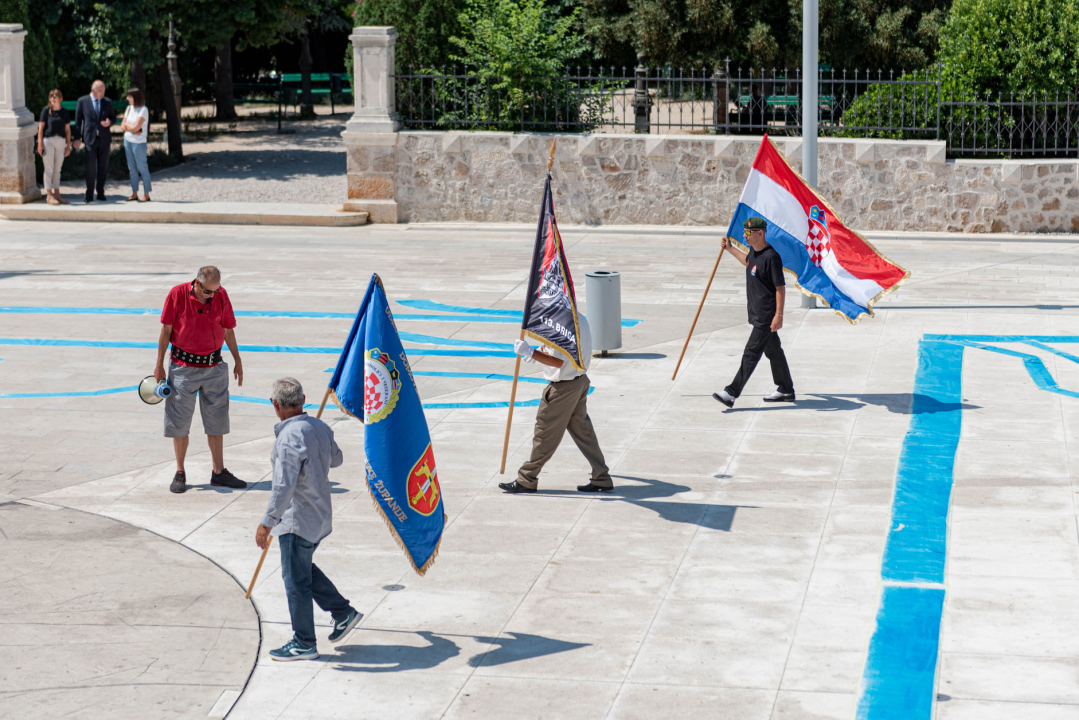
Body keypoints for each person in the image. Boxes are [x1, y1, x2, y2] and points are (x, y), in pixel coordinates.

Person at [256, 377, 362, 661]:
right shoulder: (320, 427)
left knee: (295, 582)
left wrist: (267, 522)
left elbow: (283, 486)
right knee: (302, 570)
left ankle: (304, 641)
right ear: (303, 401)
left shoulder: (289, 438)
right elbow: (336, 460)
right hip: (319, 515)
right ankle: (343, 612)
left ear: (275, 405)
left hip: (295, 521)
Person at [153, 266, 246, 493]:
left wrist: (237, 360)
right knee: (179, 422)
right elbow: (166, 331)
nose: (212, 296)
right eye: (208, 292)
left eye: (216, 291)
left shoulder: (221, 295)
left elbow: (228, 330)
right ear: (196, 283)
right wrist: (158, 364)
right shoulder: (176, 294)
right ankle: (180, 470)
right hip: (183, 368)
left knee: (217, 420)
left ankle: (218, 471)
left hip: (214, 368)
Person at [498, 313, 614, 494]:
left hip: (563, 389)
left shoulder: (562, 325)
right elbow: (563, 352)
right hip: (579, 381)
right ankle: (602, 476)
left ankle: (527, 479)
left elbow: (558, 361)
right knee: (584, 433)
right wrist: (538, 352)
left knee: (544, 433)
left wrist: (531, 352)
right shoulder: (580, 319)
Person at [713, 217, 796, 409]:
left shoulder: (771, 257)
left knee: (751, 353)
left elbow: (780, 288)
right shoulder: (754, 252)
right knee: (774, 352)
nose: (745, 236)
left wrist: (779, 315)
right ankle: (786, 389)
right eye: (744, 232)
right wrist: (731, 249)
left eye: (748, 233)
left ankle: (731, 393)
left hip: (766, 316)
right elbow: (748, 261)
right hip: (758, 313)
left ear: (761, 233)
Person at [73, 80, 116, 203]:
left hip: (104, 139)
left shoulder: (107, 102)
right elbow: (78, 122)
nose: (103, 93)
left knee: (103, 167)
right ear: (93, 90)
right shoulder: (82, 101)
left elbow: (113, 118)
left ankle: (101, 192)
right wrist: (77, 138)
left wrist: (109, 123)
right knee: (90, 168)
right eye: (100, 90)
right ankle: (89, 194)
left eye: (104, 90)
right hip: (90, 139)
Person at [36, 89, 72, 205]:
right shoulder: (46, 111)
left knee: (58, 169)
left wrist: (68, 145)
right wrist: (40, 144)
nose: (52, 99)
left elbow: (67, 130)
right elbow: (40, 128)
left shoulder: (65, 112)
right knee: (49, 169)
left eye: (55, 96)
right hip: (48, 141)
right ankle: (49, 195)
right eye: (51, 97)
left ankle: (57, 194)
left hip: (60, 141)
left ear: (60, 99)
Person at [120, 87, 151, 202]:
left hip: (139, 143)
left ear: (135, 97)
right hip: (128, 141)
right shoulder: (129, 108)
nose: (127, 98)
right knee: (132, 169)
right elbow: (123, 126)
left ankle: (146, 194)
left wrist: (130, 127)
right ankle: (134, 193)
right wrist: (131, 129)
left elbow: (136, 127)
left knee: (142, 168)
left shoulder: (143, 110)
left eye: (129, 96)